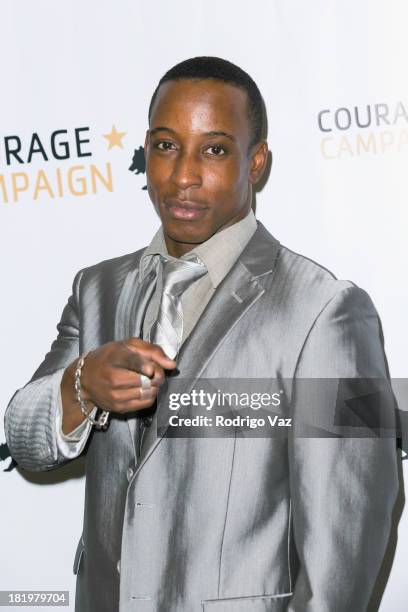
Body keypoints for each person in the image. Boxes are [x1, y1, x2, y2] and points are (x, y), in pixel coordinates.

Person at [4, 56, 399, 612]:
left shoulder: (325, 311)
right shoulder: (99, 290)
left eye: (214, 150)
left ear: (256, 162)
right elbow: (22, 438)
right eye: (166, 146)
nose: (183, 175)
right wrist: (81, 387)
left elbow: (344, 550)